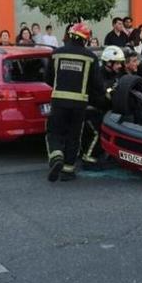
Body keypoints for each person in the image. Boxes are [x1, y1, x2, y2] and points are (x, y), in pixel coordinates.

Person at [45, 22, 105, 182]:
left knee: (54, 132)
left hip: (58, 101)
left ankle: (56, 155)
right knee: (73, 136)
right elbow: (97, 84)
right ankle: (68, 170)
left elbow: (48, 78)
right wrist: (102, 98)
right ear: (85, 39)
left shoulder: (56, 54)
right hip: (79, 104)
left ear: (70, 35)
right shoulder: (90, 57)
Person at [82, 45, 125, 166]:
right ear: (109, 63)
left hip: (105, 110)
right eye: (117, 63)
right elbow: (101, 96)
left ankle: (106, 155)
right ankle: (89, 159)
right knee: (98, 132)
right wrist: (112, 92)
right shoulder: (98, 76)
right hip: (91, 110)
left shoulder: (114, 75)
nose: (120, 66)